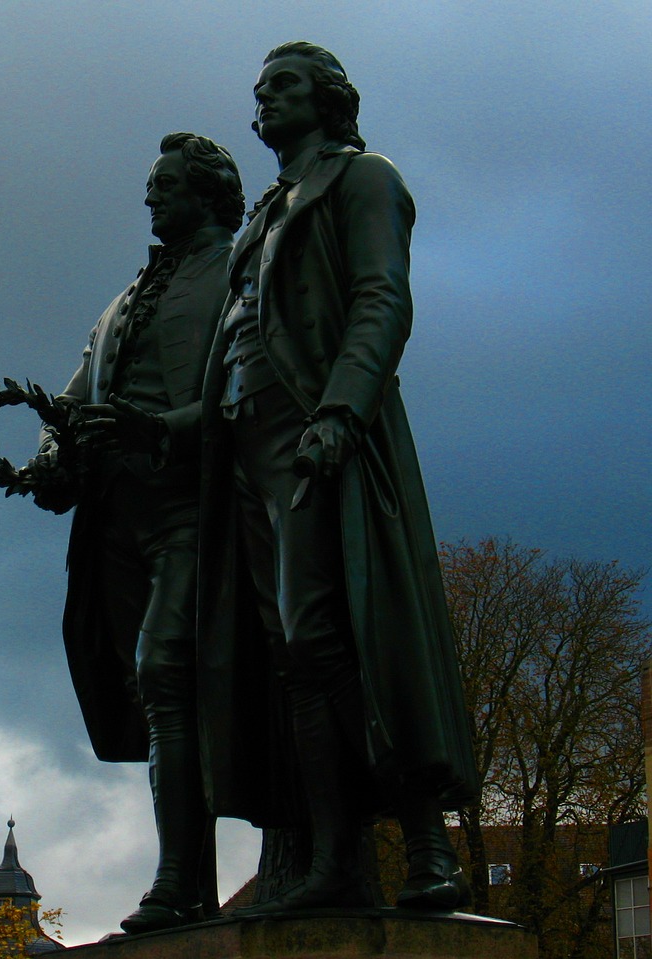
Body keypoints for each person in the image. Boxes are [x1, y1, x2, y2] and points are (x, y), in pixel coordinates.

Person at [183, 42, 480, 913]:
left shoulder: (363, 180)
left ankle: (427, 848)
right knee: (292, 657)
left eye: (282, 86)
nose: (262, 102)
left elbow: (383, 296)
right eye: (259, 90)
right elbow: (234, 336)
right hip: (244, 453)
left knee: (348, 635)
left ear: (330, 99)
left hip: (317, 438)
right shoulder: (262, 214)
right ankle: (334, 855)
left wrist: (342, 413)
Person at [31, 132, 244, 933]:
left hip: (199, 507)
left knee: (165, 672)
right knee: (157, 694)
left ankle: (174, 879)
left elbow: (250, 387)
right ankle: (190, 885)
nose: (151, 197)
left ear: (210, 191)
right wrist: (53, 455)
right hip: (119, 521)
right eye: (150, 185)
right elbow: (77, 390)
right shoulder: (126, 296)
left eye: (166, 185)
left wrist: (161, 430)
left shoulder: (239, 268)